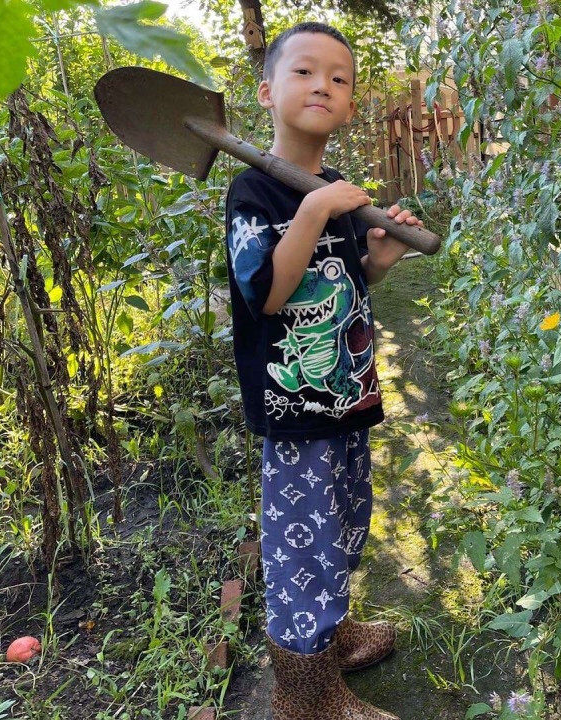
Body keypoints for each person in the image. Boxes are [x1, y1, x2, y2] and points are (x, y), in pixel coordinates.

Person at [224, 21, 422, 719]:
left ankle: (329, 635)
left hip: (346, 392)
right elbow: (268, 294)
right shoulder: (254, 194)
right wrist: (312, 209)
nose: (323, 86)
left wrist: (378, 261)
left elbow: (341, 281)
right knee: (300, 543)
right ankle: (304, 696)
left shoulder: (334, 187)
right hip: (294, 405)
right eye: (305, 72)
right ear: (266, 91)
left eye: (339, 78)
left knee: (342, 524)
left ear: (350, 104)